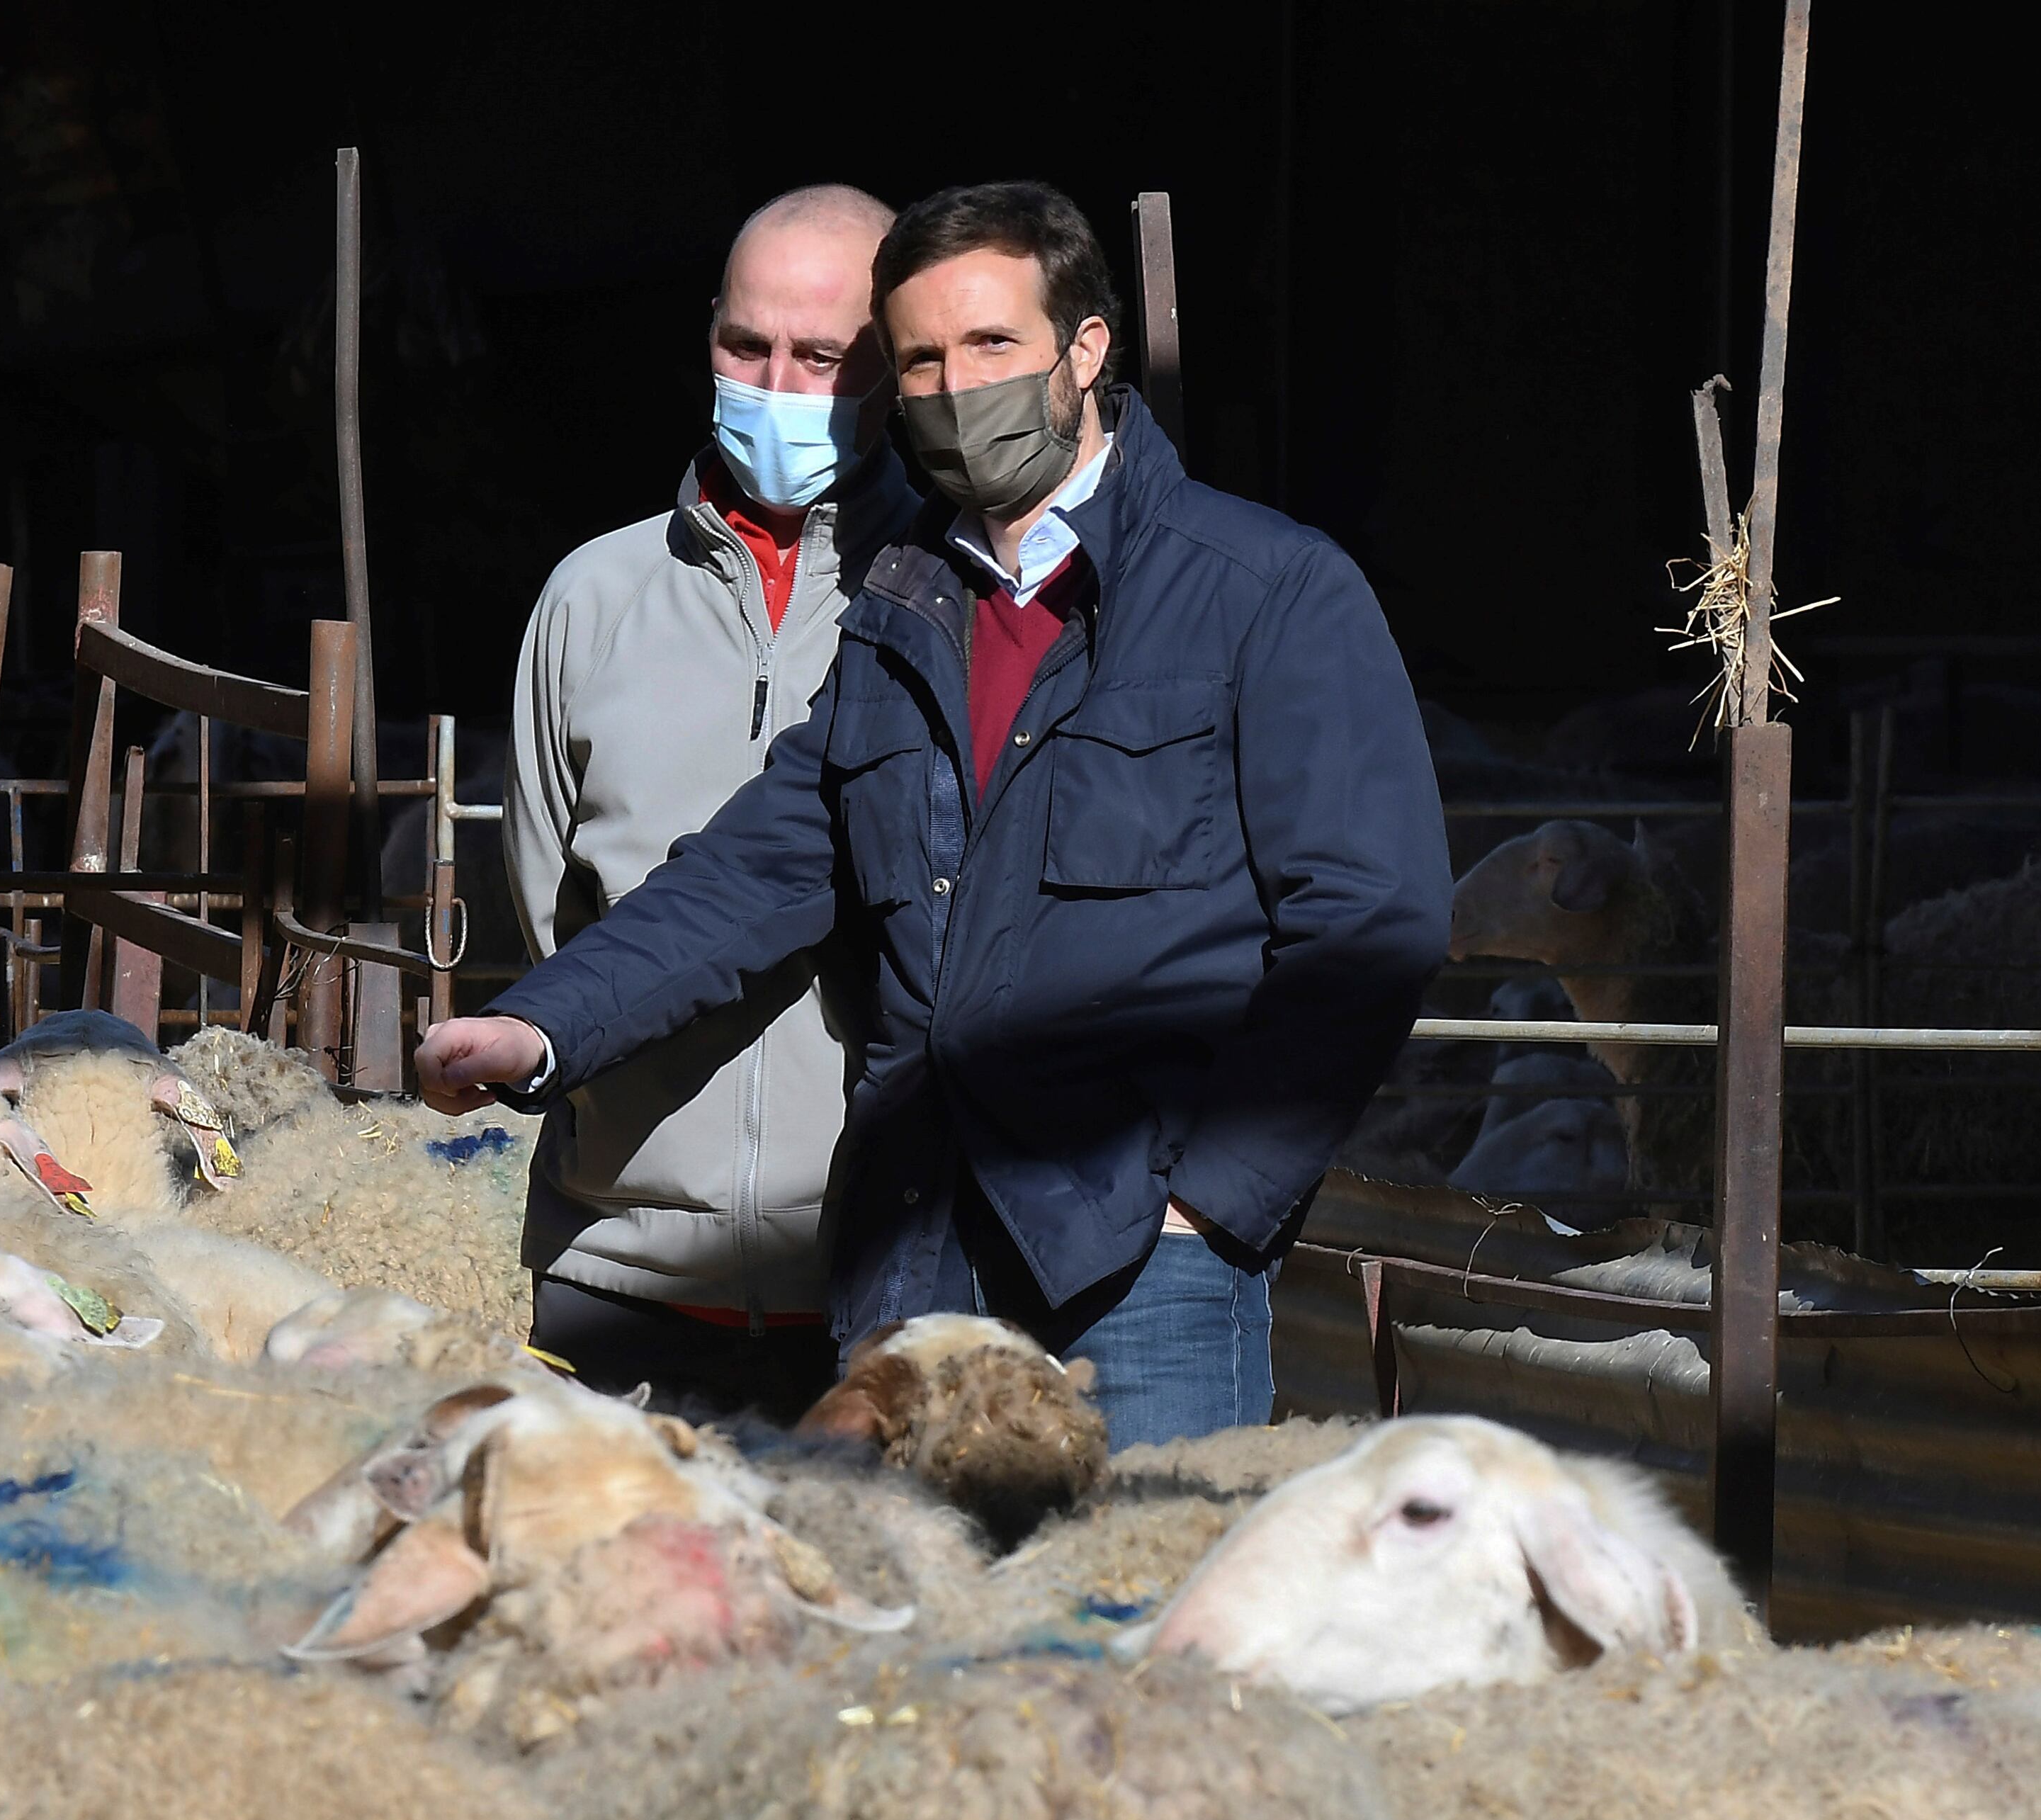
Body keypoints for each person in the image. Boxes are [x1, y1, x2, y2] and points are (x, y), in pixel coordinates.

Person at [422, 181, 1449, 1453]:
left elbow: (1370, 919)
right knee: (922, 1633)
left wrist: (1211, 1207)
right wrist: (541, 1025)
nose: (959, 386)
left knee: (1123, 1625)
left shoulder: (1264, 590)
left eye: (992, 346)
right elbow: (752, 868)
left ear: (1086, 348)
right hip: (914, 1267)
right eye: (922, 359)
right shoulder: (910, 615)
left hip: (1138, 1284)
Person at [497, 183, 915, 1420]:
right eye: (748, 344)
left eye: (824, 355)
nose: (776, 382)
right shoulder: (594, 597)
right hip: (612, 1276)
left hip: (876, 1284)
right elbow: (543, 899)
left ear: (894, 368)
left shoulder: (947, 601)